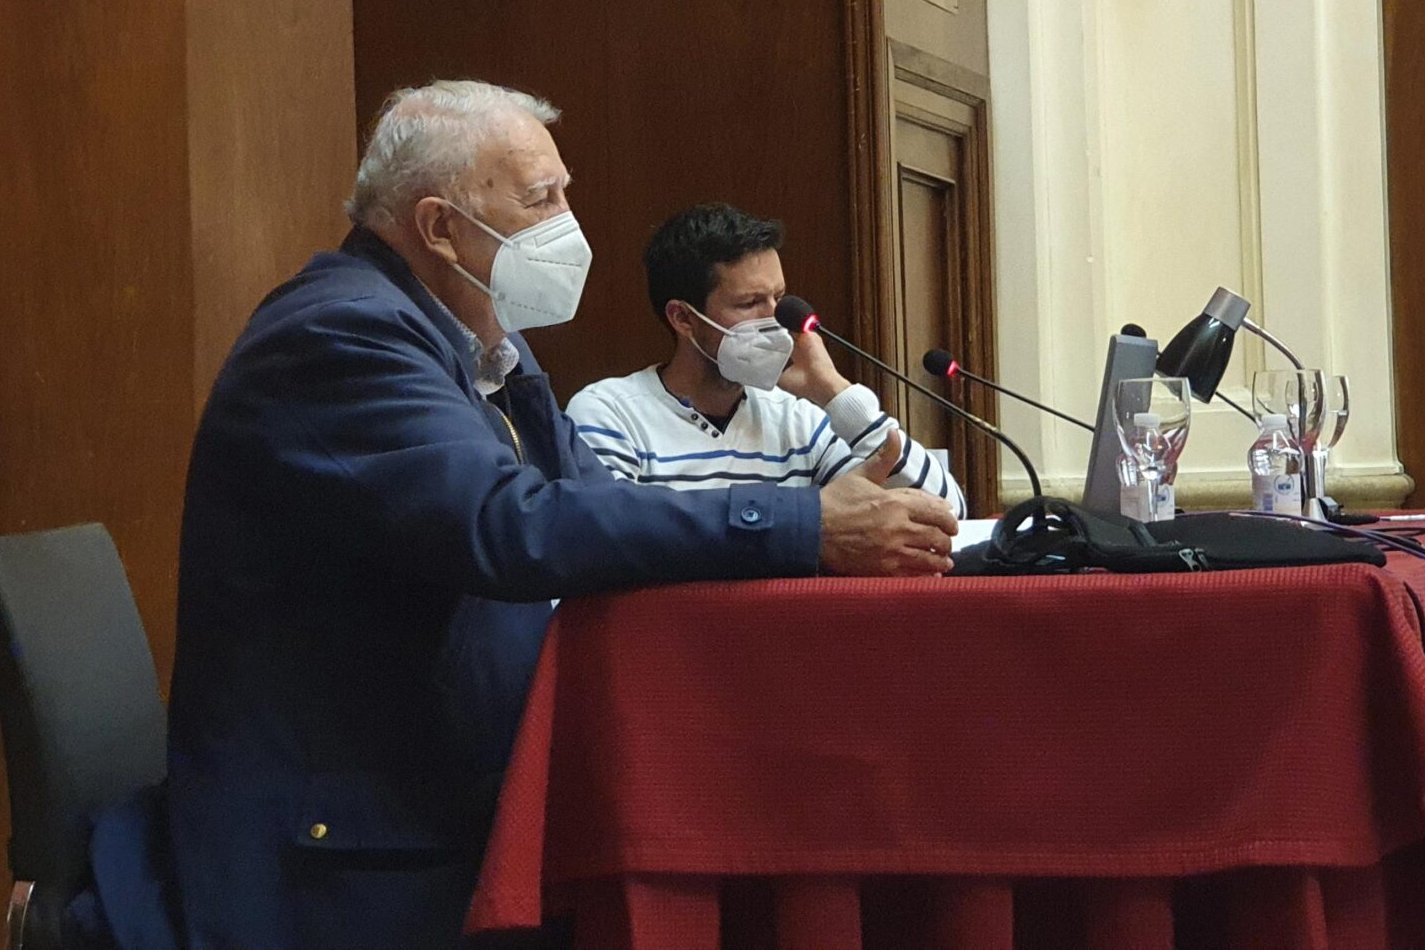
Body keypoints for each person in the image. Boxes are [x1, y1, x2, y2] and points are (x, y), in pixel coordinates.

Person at [160, 80, 958, 949]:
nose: (569, 225)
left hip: (454, 789)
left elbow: (601, 503)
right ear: (439, 227)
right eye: (541, 200)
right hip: (346, 849)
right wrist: (801, 524)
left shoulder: (480, 342)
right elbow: (512, 525)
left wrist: (802, 525)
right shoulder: (342, 336)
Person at [566, 204, 964, 518]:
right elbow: (616, 540)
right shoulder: (610, 413)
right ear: (683, 318)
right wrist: (802, 523)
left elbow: (946, 512)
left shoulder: (799, 420)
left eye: (779, 298)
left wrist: (835, 393)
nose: (776, 319)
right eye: (750, 303)